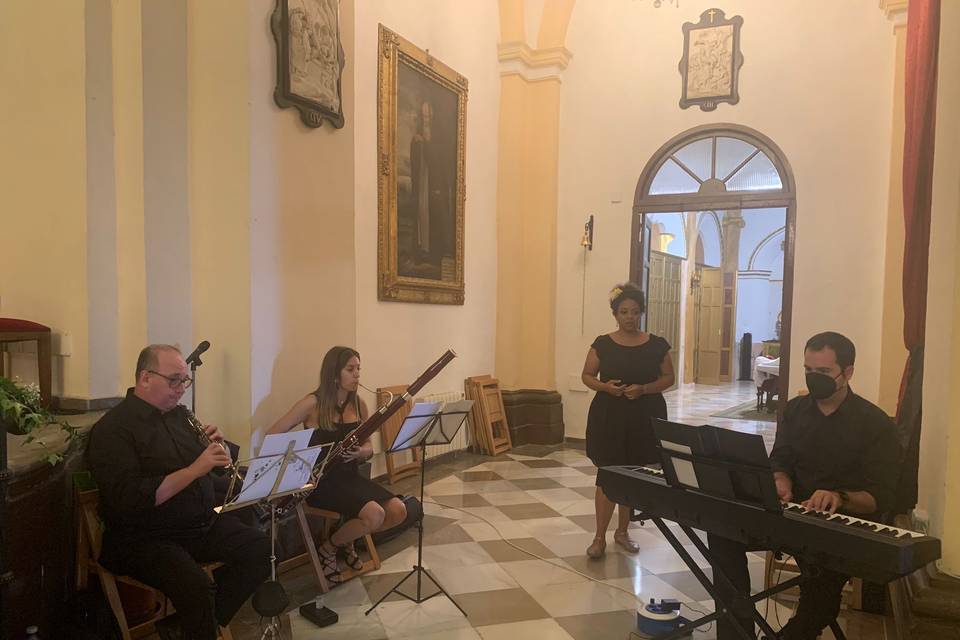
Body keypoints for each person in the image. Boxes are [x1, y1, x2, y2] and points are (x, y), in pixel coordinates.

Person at [708, 332, 901, 639]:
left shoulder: (875, 424)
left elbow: (881, 497)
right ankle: (735, 633)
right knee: (722, 533)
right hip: (792, 517)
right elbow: (780, 459)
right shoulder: (795, 410)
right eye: (808, 371)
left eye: (823, 373)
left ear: (847, 372)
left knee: (820, 597)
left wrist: (839, 496)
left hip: (840, 529)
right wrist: (780, 479)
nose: (814, 379)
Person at [87, 344, 270, 640]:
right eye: (174, 380)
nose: (181, 389)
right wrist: (197, 467)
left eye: (185, 381)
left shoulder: (179, 416)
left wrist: (219, 451)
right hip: (143, 537)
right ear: (145, 378)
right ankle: (197, 627)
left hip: (196, 526)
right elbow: (131, 500)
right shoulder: (113, 430)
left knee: (262, 549)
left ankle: (185, 628)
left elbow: (214, 471)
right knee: (196, 586)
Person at [265, 346, 406, 585]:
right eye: (350, 369)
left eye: (359, 368)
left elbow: (370, 446)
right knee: (375, 514)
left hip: (351, 478)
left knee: (399, 510)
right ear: (334, 374)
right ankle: (329, 548)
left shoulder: (359, 404)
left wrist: (361, 452)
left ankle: (346, 539)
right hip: (321, 483)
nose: (357, 375)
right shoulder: (312, 404)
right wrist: (297, 462)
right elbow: (273, 435)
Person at [581, 283, 675, 558]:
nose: (630, 317)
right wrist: (606, 388)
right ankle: (598, 536)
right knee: (608, 474)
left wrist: (644, 389)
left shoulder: (657, 344)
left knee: (632, 474)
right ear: (615, 314)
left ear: (641, 313)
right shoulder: (603, 343)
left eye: (634, 312)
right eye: (624, 312)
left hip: (644, 416)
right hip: (609, 415)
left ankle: (622, 532)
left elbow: (669, 378)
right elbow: (587, 375)